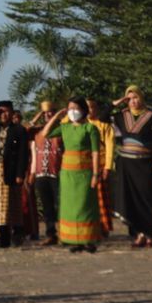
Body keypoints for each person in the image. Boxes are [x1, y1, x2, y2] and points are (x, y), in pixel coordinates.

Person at [41, 98, 102, 252]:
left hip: (85, 173)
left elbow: (96, 153)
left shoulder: (90, 128)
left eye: (75, 108)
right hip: (68, 174)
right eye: (69, 108)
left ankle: (88, 240)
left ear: (83, 110)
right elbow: (45, 133)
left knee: (85, 206)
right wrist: (56, 116)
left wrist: (95, 174)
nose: (72, 111)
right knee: (70, 208)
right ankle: (73, 240)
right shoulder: (64, 127)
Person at [112, 86, 152, 248]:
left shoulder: (150, 115)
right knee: (132, 200)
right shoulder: (121, 116)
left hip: (145, 162)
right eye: (129, 98)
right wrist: (116, 103)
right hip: (126, 164)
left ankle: (149, 234)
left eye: (135, 97)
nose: (133, 101)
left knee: (146, 198)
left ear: (141, 98)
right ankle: (139, 235)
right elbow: (101, 116)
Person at [0, 101, 30, 248]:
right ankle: (4, 237)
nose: (4, 115)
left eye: (7, 112)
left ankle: (13, 235)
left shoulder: (18, 130)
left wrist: (20, 173)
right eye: (1, 112)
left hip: (10, 170)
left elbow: (23, 154)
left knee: (10, 205)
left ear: (12, 113)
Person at [26, 101, 61, 246]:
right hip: (41, 173)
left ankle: (65, 233)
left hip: (57, 173)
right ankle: (50, 234)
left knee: (60, 205)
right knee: (47, 207)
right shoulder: (37, 132)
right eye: (46, 113)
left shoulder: (62, 130)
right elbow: (25, 129)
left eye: (51, 112)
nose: (49, 115)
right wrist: (39, 114)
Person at [86, 99, 116, 238]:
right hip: (83, 166)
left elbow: (110, 146)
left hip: (101, 165)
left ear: (96, 109)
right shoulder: (80, 125)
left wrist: (108, 167)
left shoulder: (104, 125)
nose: (89, 110)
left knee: (101, 199)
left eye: (91, 107)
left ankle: (103, 228)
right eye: (86, 108)